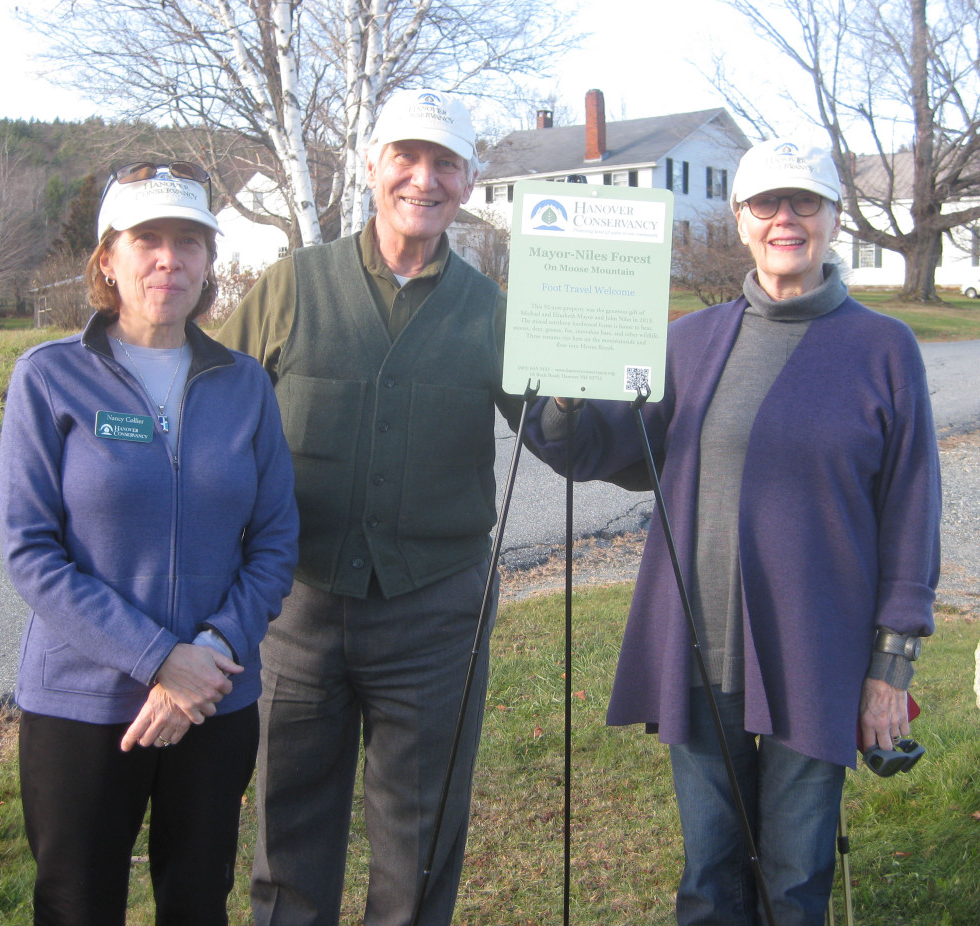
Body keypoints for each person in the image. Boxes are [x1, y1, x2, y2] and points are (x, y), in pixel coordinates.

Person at [524, 137, 941, 925]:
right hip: (699, 642)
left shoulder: (885, 349)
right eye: (766, 204)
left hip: (818, 650)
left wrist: (892, 663)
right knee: (711, 871)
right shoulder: (688, 341)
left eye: (805, 202)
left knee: (794, 874)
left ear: (833, 218)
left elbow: (912, 510)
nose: (786, 218)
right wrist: (567, 381)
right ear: (741, 222)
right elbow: (594, 447)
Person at [217, 88, 522, 926]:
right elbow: (211, 417)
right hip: (297, 610)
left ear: (466, 183)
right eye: (406, 158)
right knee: (289, 835)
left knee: (419, 845)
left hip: (435, 614)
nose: (423, 179)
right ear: (372, 166)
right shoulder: (291, 287)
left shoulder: (497, 312)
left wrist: (624, 393)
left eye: (445, 164)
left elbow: (565, 439)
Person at [0, 160, 300, 926]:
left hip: (214, 700)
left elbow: (274, 540)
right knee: (76, 905)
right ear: (107, 257)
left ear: (209, 262)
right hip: (82, 706)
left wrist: (209, 655)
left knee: (198, 902)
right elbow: (31, 551)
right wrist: (160, 659)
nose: (170, 258)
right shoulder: (49, 378)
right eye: (147, 239)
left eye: (189, 241)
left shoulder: (243, 386)